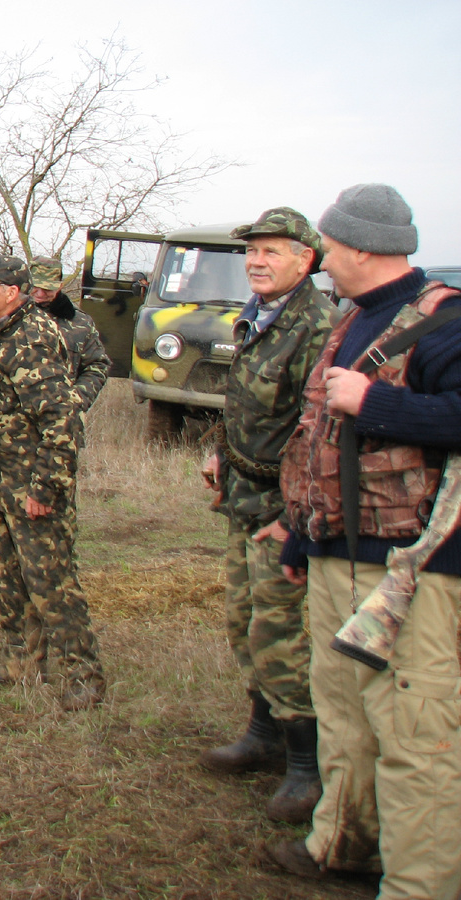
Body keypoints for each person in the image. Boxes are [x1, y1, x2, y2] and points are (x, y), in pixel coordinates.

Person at [267, 185, 461, 899]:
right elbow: (320, 439)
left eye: (328, 248)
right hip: (336, 553)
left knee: (414, 731)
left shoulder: (444, 323)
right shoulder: (352, 322)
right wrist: (302, 539)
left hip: (412, 567)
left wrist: (376, 401)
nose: (322, 261)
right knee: (344, 712)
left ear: (361, 247)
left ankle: (419, 885)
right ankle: (344, 844)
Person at [197, 208, 339, 824]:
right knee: (243, 618)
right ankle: (263, 733)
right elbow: (243, 403)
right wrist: (220, 450)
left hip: (286, 507)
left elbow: (322, 430)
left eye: (271, 251)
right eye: (252, 251)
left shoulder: (317, 326)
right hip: (245, 497)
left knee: (279, 630)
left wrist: (296, 514)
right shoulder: (257, 316)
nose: (256, 261)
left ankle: (306, 765)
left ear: (306, 260)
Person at [0, 256, 104, 709]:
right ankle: (23, 661)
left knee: (51, 583)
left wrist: (46, 490)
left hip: (30, 487)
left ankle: (84, 674)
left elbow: (61, 420)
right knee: (6, 578)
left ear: (11, 292)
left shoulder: (31, 338)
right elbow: (3, 392)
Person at [28, 257, 111, 443]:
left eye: (47, 288)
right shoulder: (6, 316)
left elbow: (98, 365)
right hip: (10, 424)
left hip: (60, 425)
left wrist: (76, 399)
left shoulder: (80, 323)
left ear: (60, 286)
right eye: (35, 286)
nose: (39, 293)